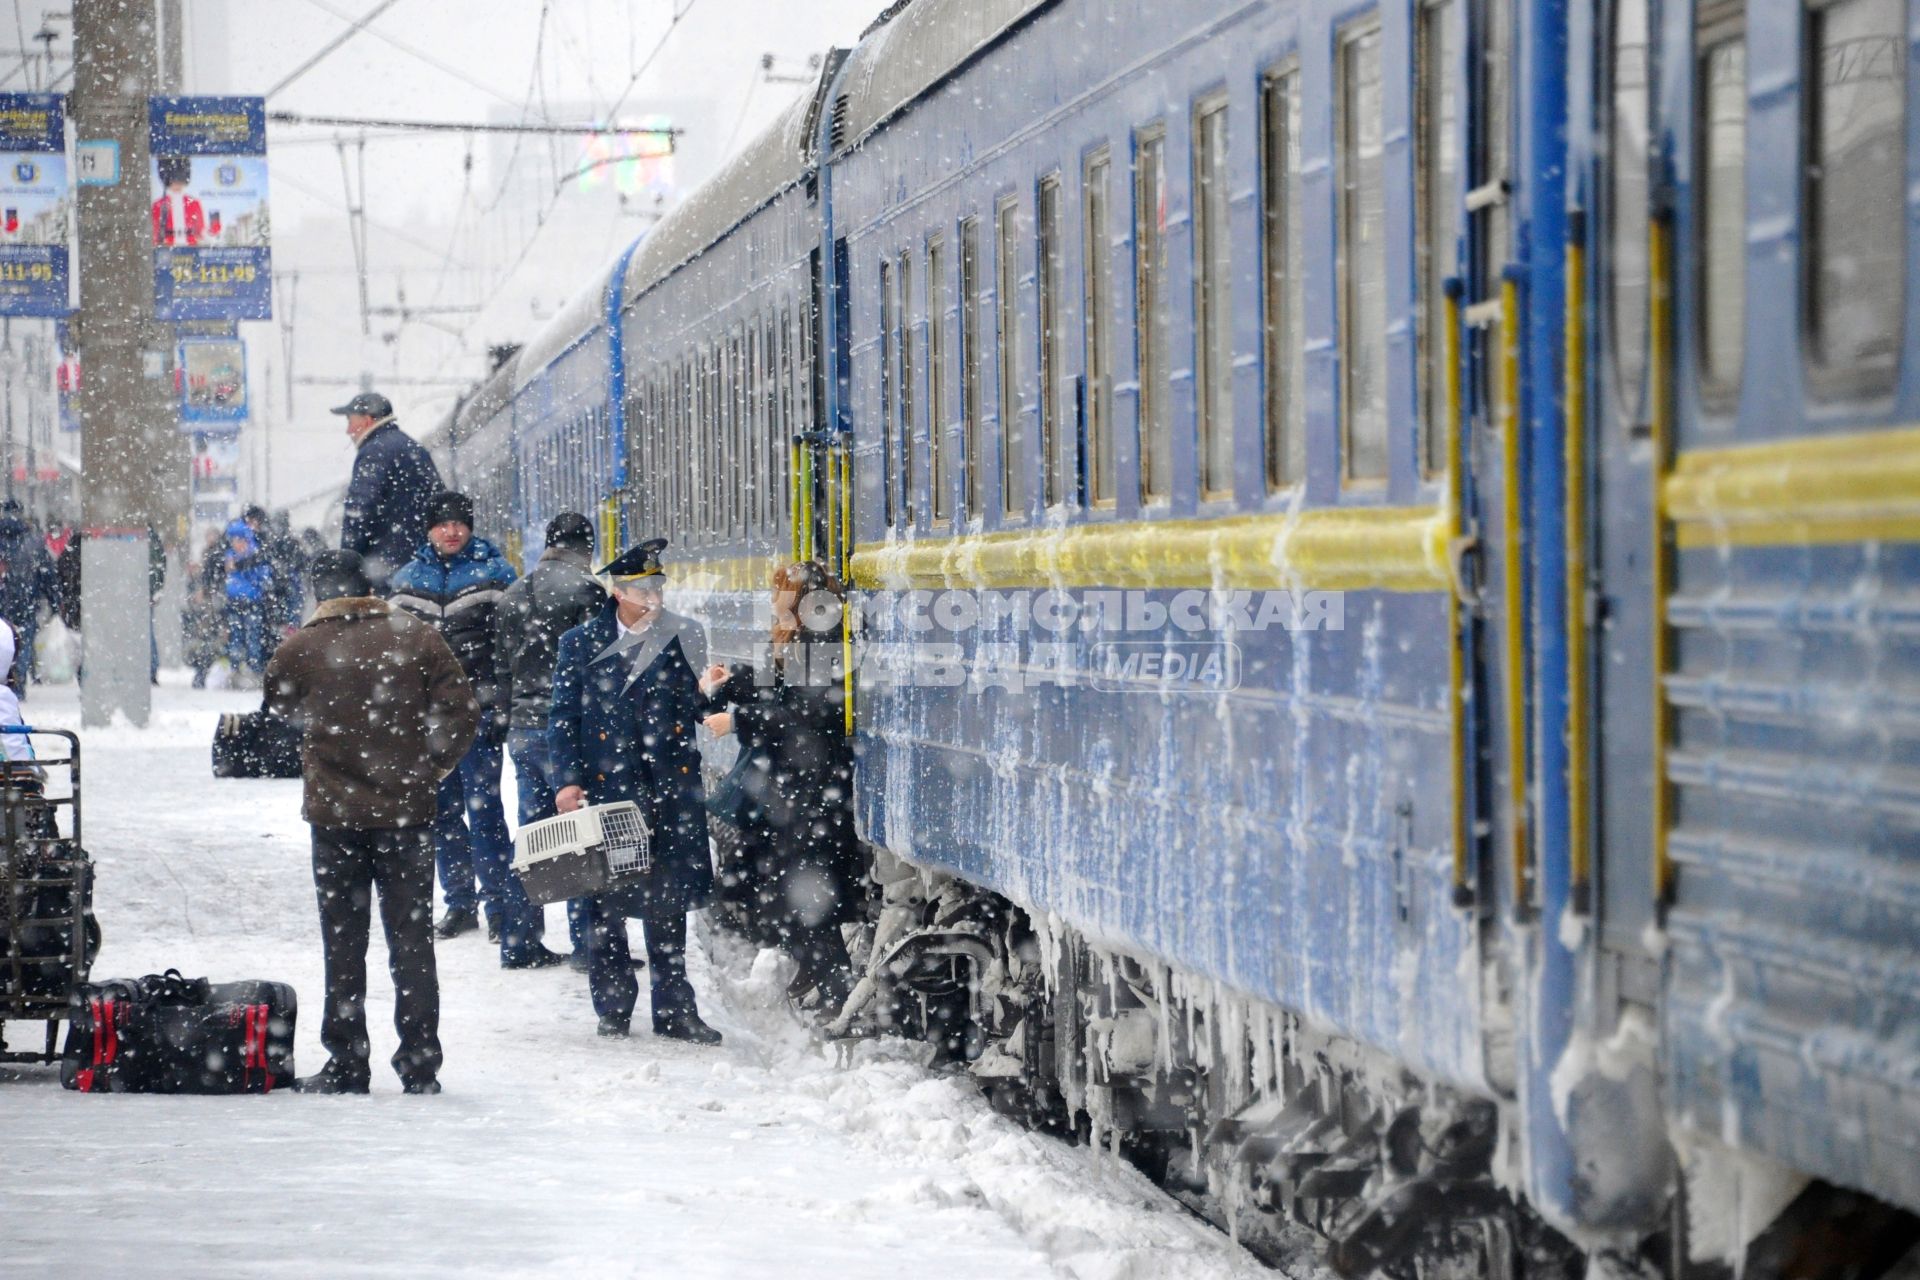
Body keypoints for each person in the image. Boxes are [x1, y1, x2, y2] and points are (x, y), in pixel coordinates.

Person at [264, 550, 477, 1095]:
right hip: (407, 815)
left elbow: (279, 710)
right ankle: (420, 1064)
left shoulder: (300, 647)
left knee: (343, 942)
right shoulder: (417, 636)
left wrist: (331, 741)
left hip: (335, 818)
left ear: (320, 592)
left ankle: (347, 1062)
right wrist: (429, 767)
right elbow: (461, 710)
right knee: (411, 942)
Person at [550, 538, 721, 1044]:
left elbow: (695, 704)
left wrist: (713, 700)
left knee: (666, 903)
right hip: (609, 785)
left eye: (658, 586)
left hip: (669, 785)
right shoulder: (579, 643)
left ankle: (674, 1009)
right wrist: (567, 780)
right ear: (618, 591)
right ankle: (613, 1005)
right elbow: (564, 718)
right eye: (643, 588)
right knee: (606, 900)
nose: (654, 595)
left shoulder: (686, 635)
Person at [389, 491, 559, 969]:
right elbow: (396, 655)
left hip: (476, 713)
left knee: (484, 810)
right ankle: (460, 902)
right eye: (441, 524)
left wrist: (500, 703)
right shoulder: (405, 583)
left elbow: (514, 645)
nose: (451, 531)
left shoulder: (496, 576)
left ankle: (500, 905)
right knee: (441, 812)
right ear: (428, 530)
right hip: (426, 718)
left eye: (458, 523)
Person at [698, 561, 861, 1014]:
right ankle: (822, 976)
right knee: (796, 889)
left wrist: (738, 720)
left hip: (813, 790)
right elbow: (787, 692)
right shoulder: (813, 636)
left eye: (780, 593)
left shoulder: (819, 640)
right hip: (803, 787)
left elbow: (806, 718)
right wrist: (736, 677)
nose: (773, 602)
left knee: (807, 893)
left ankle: (836, 991)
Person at [492, 512, 607, 970]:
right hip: (566, 731)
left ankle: (519, 940)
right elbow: (597, 669)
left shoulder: (513, 594)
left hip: (523, 730)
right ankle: (587, 945)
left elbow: (500, 669)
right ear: (587, 547)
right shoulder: (588, 591)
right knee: (579, 837)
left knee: (532, 838)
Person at [335, 392, 442, 592]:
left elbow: (358, 514)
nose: (348, 430)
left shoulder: (373, 453)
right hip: (424, 571)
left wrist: (346, 567)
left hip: (387, 574)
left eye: (350, 421)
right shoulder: (414, 448)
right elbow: (440, 506)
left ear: (367, 420)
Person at [0, 498, 59, 691]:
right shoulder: (33, 541)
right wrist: (54, 602)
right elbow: (48, 574)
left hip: (2, 602)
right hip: (25, 602)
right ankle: (17, 684)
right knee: (22, 644)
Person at [223, 517, 273, 684]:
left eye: (238, 540)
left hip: (252, 602)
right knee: (236, 637)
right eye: (233, 540)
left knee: (253, 637)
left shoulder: (255, 555)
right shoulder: (230, 556)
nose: (235, 544)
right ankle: (235, 669)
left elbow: (263, 578)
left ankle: (254, 669)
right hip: (235, 602)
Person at [151, 155, 204, 247]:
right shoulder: (158, 205)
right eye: (174, 181)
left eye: (179, 181)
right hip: (167, 246)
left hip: (190, 246)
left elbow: (200, 229)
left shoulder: (194, 203)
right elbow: (155, 230)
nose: (177, 185)